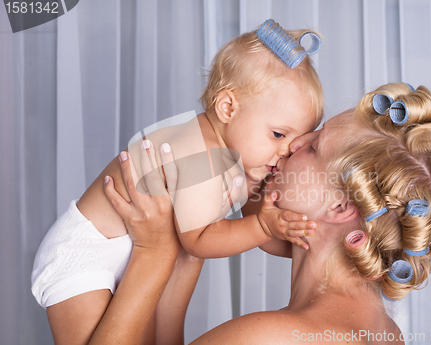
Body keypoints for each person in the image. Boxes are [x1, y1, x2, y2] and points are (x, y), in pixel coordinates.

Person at [102, 82, 431, 344]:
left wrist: (153, 255)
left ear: (340, 207)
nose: (292, 144)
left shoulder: (269, 336)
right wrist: (186, 253)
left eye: (314, 147)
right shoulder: (387, 333)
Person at [31, 20, 324, 343]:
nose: (285, 151)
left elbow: (257, 228)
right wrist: (266, 226)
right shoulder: (202, 154)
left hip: (140, 251)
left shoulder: (247, 159)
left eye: (298, 140)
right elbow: (198, 240)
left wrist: (301, 237)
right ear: (227, 107)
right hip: (86, 253)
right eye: (278, 134)